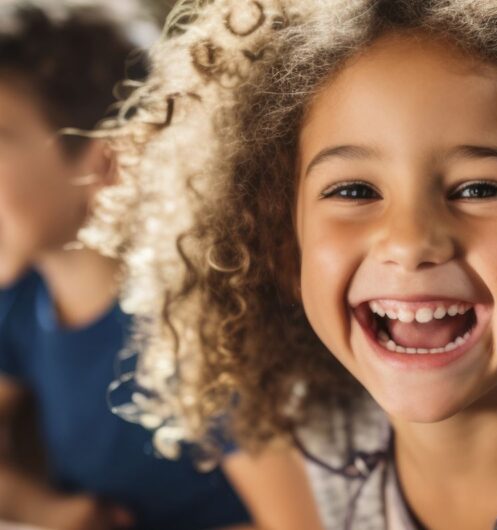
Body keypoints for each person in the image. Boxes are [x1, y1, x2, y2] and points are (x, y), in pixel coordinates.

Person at [85, 0, 497, 528]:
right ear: (286, 250)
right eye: (355, 191)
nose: (411, 240)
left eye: (479, 188)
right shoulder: (327, 430)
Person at [0, 3, 308, 529]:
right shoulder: (21, 304)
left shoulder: (201, 323)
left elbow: (298, 522)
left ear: (104, 166)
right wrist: (44, 510)